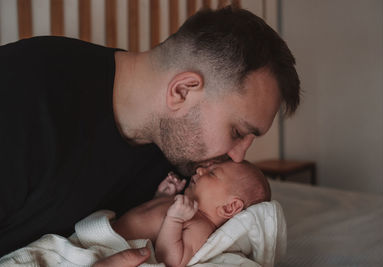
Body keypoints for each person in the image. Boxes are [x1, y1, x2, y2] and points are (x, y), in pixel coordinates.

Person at [0, 5, 300, 264]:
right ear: (182, 91)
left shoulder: (180, 164)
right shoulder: (22, 92)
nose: (238, 156)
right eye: (237, 131)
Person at [0, 161, 271, 267]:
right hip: (92, 238)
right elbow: (150, 220)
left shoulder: (201, 225)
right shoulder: (186, 206)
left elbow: (171, 258)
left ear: (230, 207)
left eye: (212, 173)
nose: (199, 171)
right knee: (37, 254)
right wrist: (161, 198)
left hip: (102, 252)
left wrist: (175, 219)